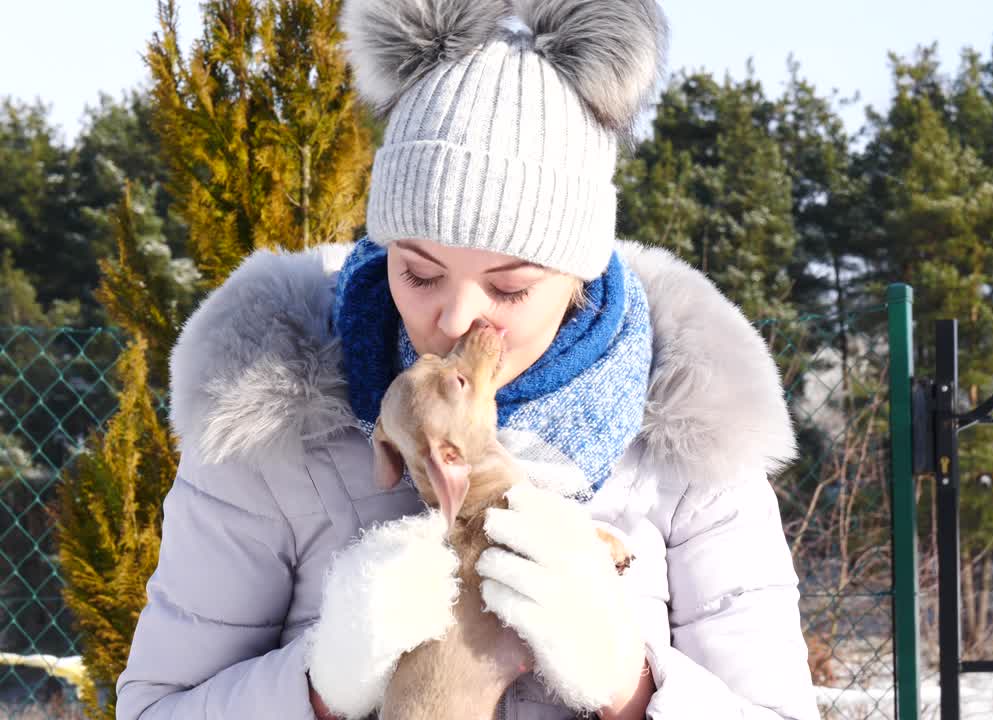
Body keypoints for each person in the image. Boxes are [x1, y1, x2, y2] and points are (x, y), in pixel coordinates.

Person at [115, 1, 818, 718]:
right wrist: (321, 683)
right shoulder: (274, 424)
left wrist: (629, 684)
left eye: (509, 287)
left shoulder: (690, 436)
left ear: (578, 271)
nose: (452, 318)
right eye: (418, 273)